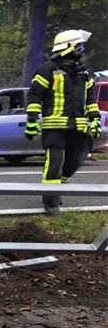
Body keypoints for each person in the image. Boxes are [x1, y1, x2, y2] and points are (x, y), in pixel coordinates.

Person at [25, 29, 101, 215]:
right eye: (78, 46)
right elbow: (35, 95)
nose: (81, 50)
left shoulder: (84, 74)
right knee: (54, 164)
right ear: (67, 47)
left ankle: (58, 186)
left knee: (76, 161)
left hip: (79, 128)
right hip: (55, 129)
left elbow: (91, 100)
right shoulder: (48, 70)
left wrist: (96, 120)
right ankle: (51, 202)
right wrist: (32, 120)